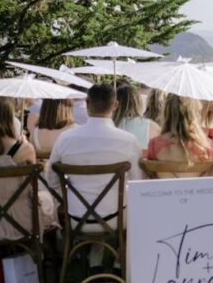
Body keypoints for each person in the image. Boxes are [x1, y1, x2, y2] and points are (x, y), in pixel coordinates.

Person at [45, 84, 143, 271]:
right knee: (123, 200)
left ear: (86, 103)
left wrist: (63, 202)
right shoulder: (128, 140)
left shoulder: (66, 139)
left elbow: (51, 178)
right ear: (115, 105)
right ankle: (118, 263)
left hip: (76, 217)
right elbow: (138, 183)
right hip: (115, 218)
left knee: (96, 195)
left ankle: (95, 264)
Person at [0, 97, 59, 242]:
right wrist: (24, 144)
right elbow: (32, 186)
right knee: (48, 198)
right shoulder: (24, 149)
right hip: (23, 219)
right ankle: (50, 252)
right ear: (9, 117)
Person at [147, 94, 213, 165]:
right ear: (194, 114)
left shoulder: (154, 145)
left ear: (167, 112)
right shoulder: (207, 146)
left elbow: (149, 174)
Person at [114, 84, 159, 155]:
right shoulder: (152, 127)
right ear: (138, 102)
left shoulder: (108, 126)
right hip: (141, 165)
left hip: (115, 165)